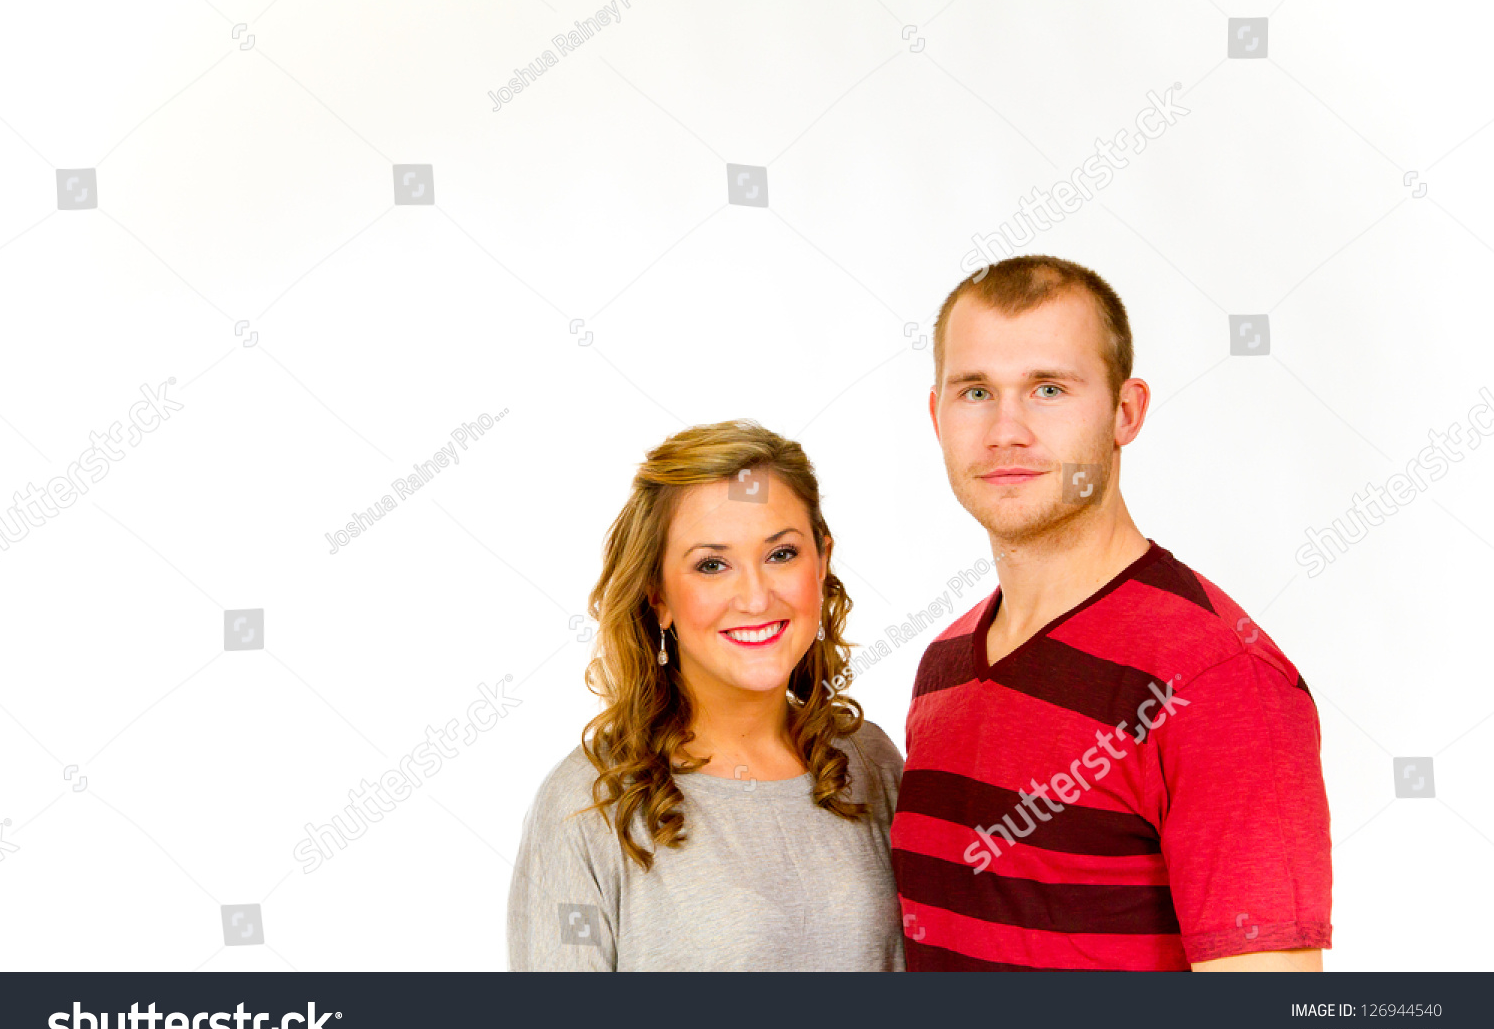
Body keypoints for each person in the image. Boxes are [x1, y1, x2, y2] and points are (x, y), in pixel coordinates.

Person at [891, 255, 1332, 971]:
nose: (1007, 429)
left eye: (1049, 388)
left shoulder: (1218, 678)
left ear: (1126, 411)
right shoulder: (943, 664)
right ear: (937, 414)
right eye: (976, 391)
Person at [507, 420, 904, 970]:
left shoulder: (873, 763)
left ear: (823, 561)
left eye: (782, 554)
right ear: (659, 596)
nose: (755, 596)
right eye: (711, 565)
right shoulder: (587, 804)